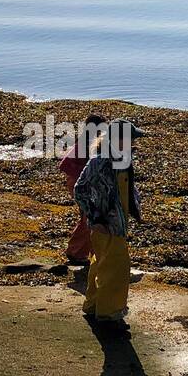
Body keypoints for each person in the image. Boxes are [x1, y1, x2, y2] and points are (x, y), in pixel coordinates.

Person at [74, 119, 146, 329]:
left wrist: (135, 207)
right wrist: (95, 218)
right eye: (131, 138)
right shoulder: (101, 161)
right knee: (116, 268)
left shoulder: (121, 158)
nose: (134, 142)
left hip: (116, 221)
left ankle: (94, 305)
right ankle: (109, 314)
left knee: (101, 263)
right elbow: (80, 190)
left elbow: (126, 188)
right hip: (105, 223)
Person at [58, 113, 108, 264]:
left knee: (88, 217)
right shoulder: (86, 143)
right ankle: (75, 252)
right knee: (89, 217)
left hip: (78, 183)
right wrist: (84, 178)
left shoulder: (86, 141)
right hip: (79, 184)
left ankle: (85, 252)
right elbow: (65, 165)